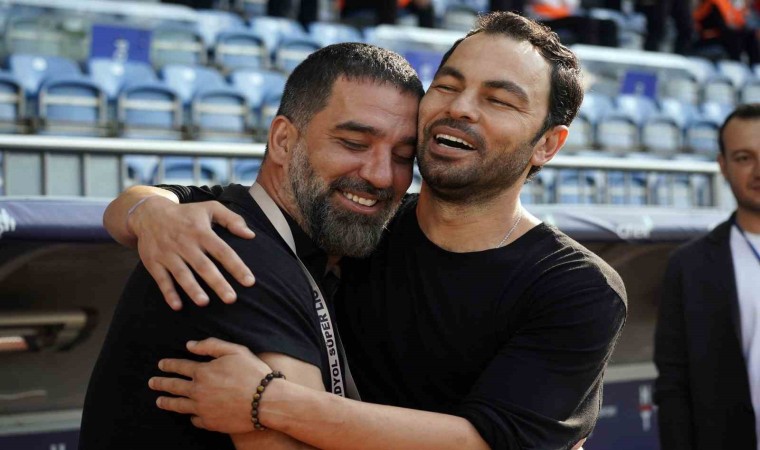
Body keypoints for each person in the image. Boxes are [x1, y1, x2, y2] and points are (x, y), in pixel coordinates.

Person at [105, 12, 627, 449]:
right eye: (448, 85)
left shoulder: (576, 287)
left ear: (548, 144)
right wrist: (148, 210)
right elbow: (214, 199)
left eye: (499, 100)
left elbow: (488, 444)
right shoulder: (360, 221)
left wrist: (270, 400)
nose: (460, 106)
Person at [79, 43, 423, 450]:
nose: (382, 176)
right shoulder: (226, 251)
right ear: (282, 140)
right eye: (353, 143)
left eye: (404, 156)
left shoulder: (274, 225)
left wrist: (144, 207)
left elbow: (158, 198)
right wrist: (144, 209)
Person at [654, 103, 760, 450]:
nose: (759, 170)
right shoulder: (689, 265)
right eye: (744, 157)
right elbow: (673, 384)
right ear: (723, 166)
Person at [693, 0, 760, 65]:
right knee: (734, 37)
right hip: (708, 37)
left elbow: (738, 22)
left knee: (749, 35)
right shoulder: (714, 3)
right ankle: (736, 64)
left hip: (723, 34)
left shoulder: (726, 4)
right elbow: (720, 26)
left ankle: (756, 65)